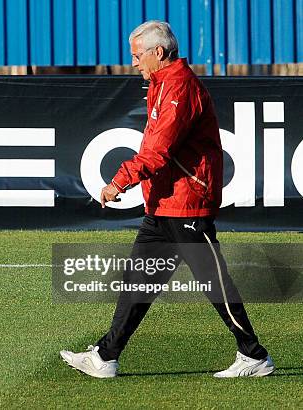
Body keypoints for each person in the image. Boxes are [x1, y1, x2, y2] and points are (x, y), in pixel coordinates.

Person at [60, 21, 274, 378]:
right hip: (163, 202)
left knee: (213, 280)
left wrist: (120, 181)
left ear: (157, 52)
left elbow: (158, 150)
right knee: (138, 280)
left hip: (186, 200)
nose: (133, 62)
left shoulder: (178, 88)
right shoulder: (162, 84)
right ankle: (106, 356)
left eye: (136, 55)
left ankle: (253, 355)